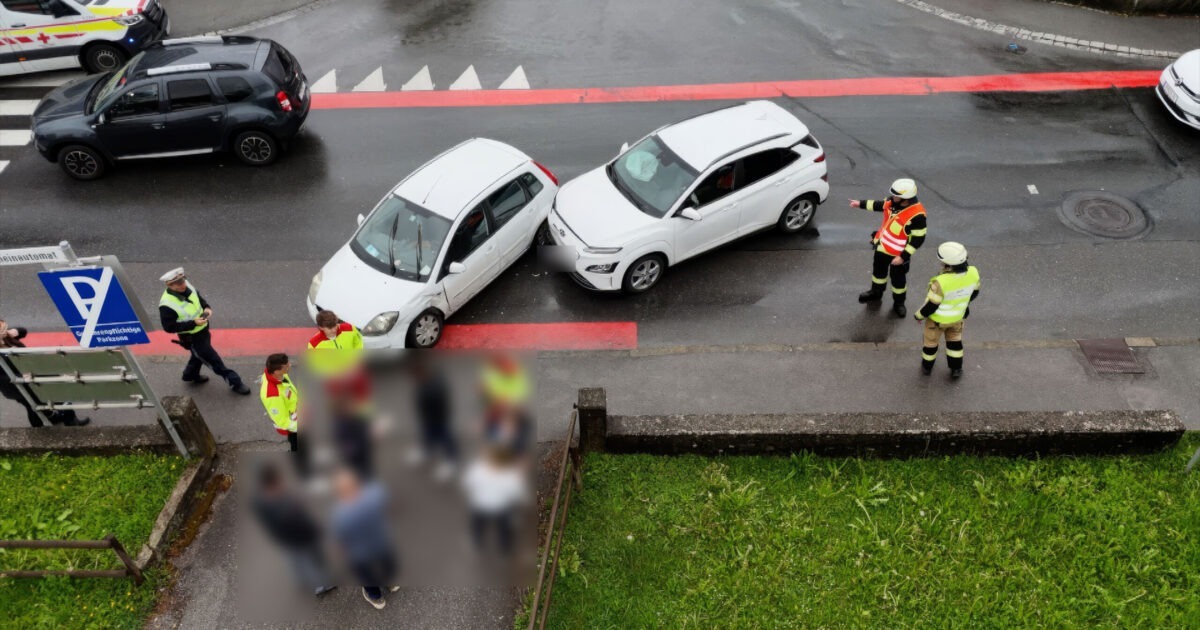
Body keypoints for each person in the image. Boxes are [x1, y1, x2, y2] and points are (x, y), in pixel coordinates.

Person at [157, 268, 250, 395]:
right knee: (213, 360)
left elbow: (198, 298)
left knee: (198, 355)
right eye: (178, 284)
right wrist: (194, 323)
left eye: (183, 280)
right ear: (169, 285)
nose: (183, 284)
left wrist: (206, 307)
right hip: (191, 338)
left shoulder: (187, 285)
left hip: (203, 331)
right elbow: (169, 327)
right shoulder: (167, 304)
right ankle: (235, 382)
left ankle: (190, 375)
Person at [250, 461, 336, 597]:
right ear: (275, 483)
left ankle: (306, 581)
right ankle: (322, 584)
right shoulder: (285, 504)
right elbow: (303, 521)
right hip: (302, 537)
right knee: (312, 559)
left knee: (298, 561)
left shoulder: (259, 502)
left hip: (286, 539)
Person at [849, 178, 928, 317]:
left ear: (906, 198)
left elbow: (918, 239)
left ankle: (899, 303)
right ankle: (876, 292)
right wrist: (859, 204)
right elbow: (879, 205)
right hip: (882, 248)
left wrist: (903, 257)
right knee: (878, 274)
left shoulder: (918, 215)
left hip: (899, 255)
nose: (892, 197)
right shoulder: (892, 202)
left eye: (896, 195)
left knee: (898, 282)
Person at [0, 320, 90, 427]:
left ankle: (45, 423)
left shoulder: (6, 338)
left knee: (33, 406)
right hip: (17, 386)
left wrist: (16, 331)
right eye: (3, 330)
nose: (5, 330)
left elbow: (23, 332)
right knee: (53, 396)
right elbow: (2, 378)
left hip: (30, 377)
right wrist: (20, 377)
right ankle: (70, 421)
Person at [331, 469, 399, 610]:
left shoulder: (341, 515)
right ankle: (390, 582)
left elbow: (341, 539)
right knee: (386, 563)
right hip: (380, 542)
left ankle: (375, 596)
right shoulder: (374, 494)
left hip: (360, 553)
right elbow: (388, 505)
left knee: (366, 575)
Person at [913, 242, 981, 379]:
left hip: (936, 322)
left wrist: (919, 315)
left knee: (930, 344)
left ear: (948, 264)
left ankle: (927, 367)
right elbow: (974, 293)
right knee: (955, 342)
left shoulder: (941, 282)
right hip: (957, 318)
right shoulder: (973, 272)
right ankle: (956, 369)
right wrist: (962, 305)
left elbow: (932, 305)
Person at [461, 446, 529, 557]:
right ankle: (504, 548)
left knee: (478, 525)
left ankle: (476, 542)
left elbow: (467, 483)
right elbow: (519, 494)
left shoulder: (478, 469)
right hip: (501, 509)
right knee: (503, 529)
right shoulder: (511, 475)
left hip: (480, 506)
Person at [408, 356, 458, 482]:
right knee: (427, 434)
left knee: (445, 437)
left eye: (416, 376)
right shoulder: (425, 382)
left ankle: (451, 460)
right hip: (429, 418)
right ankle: (427, 450)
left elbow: (439, 403)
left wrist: (434, 418)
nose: (414, 380)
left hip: (437, 418)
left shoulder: (434, 386)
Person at [260, 353, 307, 475]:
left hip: (297, 414)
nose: (289, 365)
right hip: (294, 424)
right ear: (276, 371)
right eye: (286, 365)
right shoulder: (272, 394)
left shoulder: (280, 375)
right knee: (297, 444)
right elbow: (282, 421)